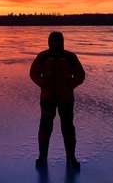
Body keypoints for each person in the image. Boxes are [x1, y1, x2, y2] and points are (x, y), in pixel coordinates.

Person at [30, 31, 85, 170]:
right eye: (53, 40)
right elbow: (33, 73)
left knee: (68, 128)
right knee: (45, 127)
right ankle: (42, 156)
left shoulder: (69, 57)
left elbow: (80, 74)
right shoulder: (43, 56)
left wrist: (69, 85)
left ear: (62, 42)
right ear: (49, 42)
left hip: (66, 99)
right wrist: (43, 83)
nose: (55, 43)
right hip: (47, 99)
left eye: (58, 40)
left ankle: (71, 157)